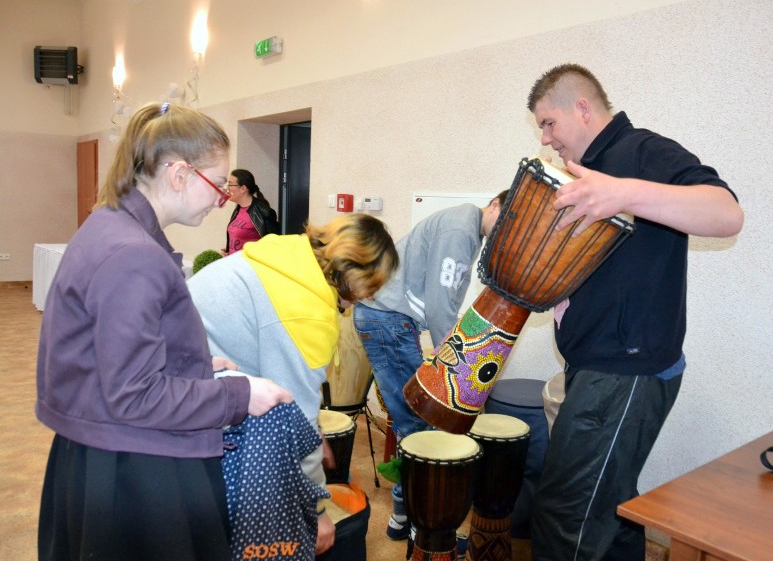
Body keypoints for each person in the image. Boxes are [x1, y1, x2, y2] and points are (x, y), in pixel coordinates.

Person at [35, 102, 292, 561]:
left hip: (105, 451)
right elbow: (134, 396)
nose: (222, 200)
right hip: (129, 471)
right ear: (178, 174)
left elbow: (109, 353)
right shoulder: (132, 254)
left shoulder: (111, 227)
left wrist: (189, 362)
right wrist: (238, 395)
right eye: (217, 184)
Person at [525, 64, 744, 560]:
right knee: (611, 511)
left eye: (548, 122)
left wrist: (623, 192)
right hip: (596, 367)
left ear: (582, 108)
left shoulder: (640, 151)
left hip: (624, 371)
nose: (546, 138)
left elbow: (726, 211)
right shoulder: (585, 172)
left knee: (565, 518)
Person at [188, 214, 399, 556]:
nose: (368, 298)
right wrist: (316, 512)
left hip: (183, 385)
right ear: (357, 276)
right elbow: (291, 420)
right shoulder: (308, 312)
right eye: (371, 288)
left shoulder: (291, 254)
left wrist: (310, 432)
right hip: (199, 415)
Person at [352, 191, 507, 540]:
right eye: (506, 222)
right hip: (387, 321)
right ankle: (422, 525)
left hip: (386, 321)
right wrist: (454, 365)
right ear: (495, 204)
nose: (504, 233)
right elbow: (440, 307)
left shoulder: (466, 225)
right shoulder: (461, 230)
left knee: (413, 423)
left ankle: (402, 518)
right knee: (421, 425)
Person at [223, 168, 279, 254]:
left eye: (230, 185)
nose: (227, 189)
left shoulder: (264, 212)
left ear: (243, 188)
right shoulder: (238, 209)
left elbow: (275, 245)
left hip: (250, 266)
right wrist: (229, 252)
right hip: (235, 264)